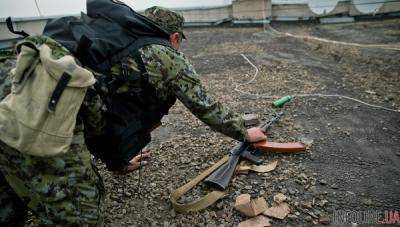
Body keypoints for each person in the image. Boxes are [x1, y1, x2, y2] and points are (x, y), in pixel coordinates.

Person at [0, 2, 266, 226]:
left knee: (11, 187)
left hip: (11, 93)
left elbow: (98, 114)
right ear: (174, 37)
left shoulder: (112, 45)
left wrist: (117, 161)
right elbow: (205, 105)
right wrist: (244, 131)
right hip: (43, 115)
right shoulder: (166, 55)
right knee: (82, 212)